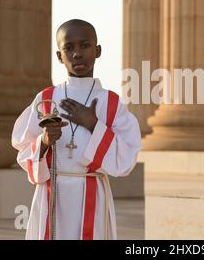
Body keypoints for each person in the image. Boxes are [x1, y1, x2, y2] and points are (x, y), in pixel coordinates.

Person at [12, 19, 141, 240]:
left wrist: (93, 124)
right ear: (59, 56)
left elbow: (126, 159)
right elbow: (22, 149)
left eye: (85, 45)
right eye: (68, 48)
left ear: (97, 50)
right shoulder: (46, 99)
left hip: (92, 192)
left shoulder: (111, 103)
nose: (77, 54)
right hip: (52, 193)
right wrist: (43, 142)